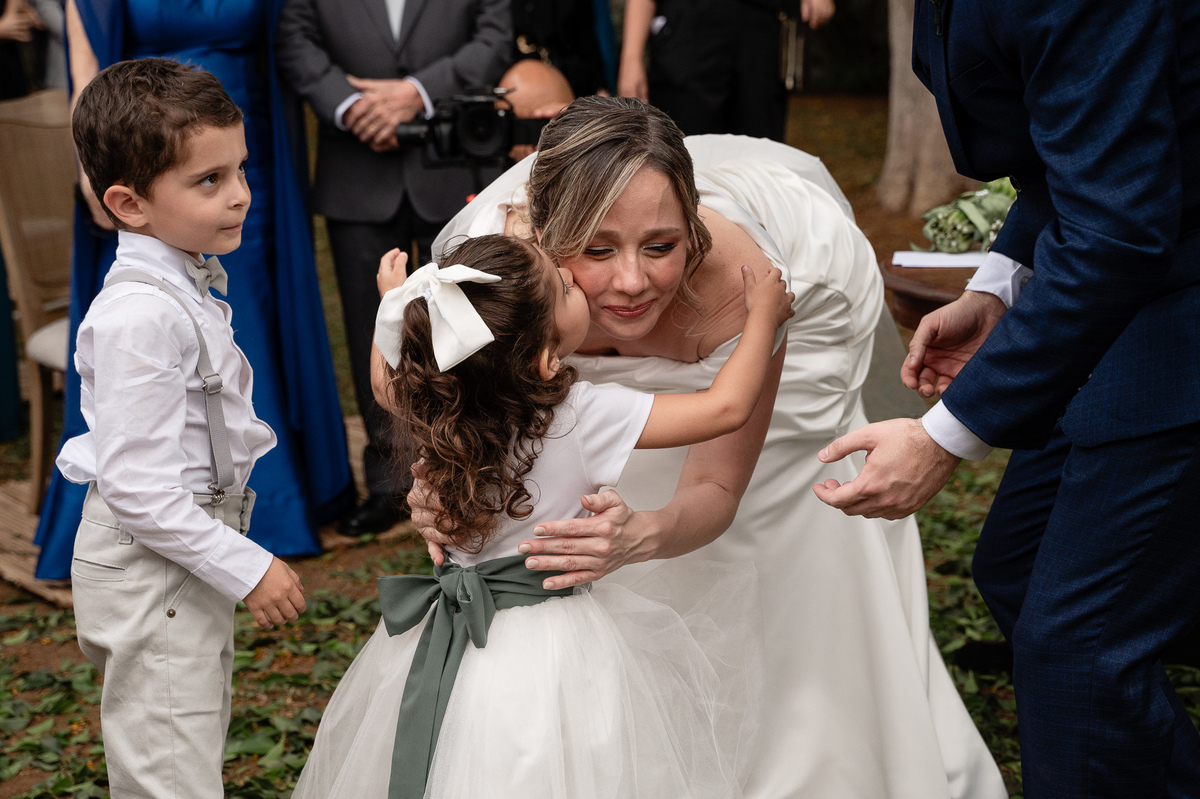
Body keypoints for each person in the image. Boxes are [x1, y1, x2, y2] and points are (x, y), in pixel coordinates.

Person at [415, 96, 1004, 798]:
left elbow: (719, 488)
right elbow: (449, 412)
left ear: (691, 227)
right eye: (597, 250)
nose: (632, 282)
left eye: (661, 246)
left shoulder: (752, 287)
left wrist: (644, 532)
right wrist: (437, 490)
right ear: (542, 235)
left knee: (779, 523)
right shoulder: (494, 288)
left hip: (783, 341)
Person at [814, 1, 1200, 796]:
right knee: (1017, 566)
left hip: (1175, 304)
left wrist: (944, 434)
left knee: (1077, 646)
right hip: (1129, 276)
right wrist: (1000, 282)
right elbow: (1079, 147)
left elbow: (1117, 228)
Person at [294, 232, 791, 798]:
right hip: (555, 645)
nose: (573, 276)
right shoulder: (580, 416)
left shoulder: (434, 401)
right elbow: (725, 408)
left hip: (447, 633)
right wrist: (763, 320)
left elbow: (386, 386)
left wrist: (397, 305)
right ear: (547, 359)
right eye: (563, 286)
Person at [33, 0, 355, 580]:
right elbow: (88, 65)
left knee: (238, 318)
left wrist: (233, 170)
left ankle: (265, 498)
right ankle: (203, 521)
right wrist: (94, 166)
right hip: (150, 152)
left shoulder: (237, 182)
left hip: (234, 129)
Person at [61, 58, 307, 798]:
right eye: (210, 181)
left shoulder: (179, 281)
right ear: (129, 204)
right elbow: (138, 489)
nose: (241, 195)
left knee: (183, 744)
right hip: (155, 563)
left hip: (177, 555)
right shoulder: (140, 315)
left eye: (240, 170)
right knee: (168, 774)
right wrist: (247, 565)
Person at [276, 0, 512, 535]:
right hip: (356, 170)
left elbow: (495, 35)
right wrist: (349, 105)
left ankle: (479, 469)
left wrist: (418, 95)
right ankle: (389, 483)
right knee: (372, 325)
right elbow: (294, 38)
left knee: (470, 320)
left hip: (453, 163)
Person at [617, 0, 834, 142]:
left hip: (760, 29)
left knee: (760, 156)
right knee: (685, 154)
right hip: (686, 33)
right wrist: (631, 57)